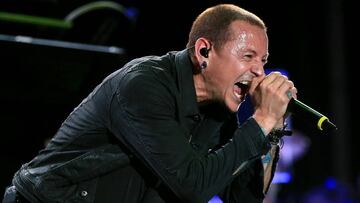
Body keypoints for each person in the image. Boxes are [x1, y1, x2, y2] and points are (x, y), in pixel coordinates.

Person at [3, 3, 297, 203]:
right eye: (248, 56)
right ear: (204, 51)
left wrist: (271, 126)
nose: (260, 71)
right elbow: (191, 186)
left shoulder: (219, 111)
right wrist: (260, 122)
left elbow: (245, 198)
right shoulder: (144, 85)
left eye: (263, 61)